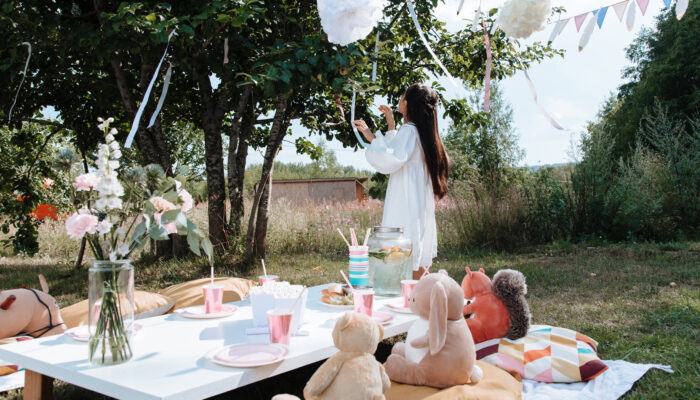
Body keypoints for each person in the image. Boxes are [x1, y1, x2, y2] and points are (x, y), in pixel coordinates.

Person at [353, 83, 450, 280]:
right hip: (416, 201)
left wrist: (371, 137)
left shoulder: (410, 130)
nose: (399, 100)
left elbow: (391, 158)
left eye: (402, 97)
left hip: (406, 202)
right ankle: (432, 293)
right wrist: (390, 124)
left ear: (407, 104)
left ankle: (433, 294)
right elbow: (398, 149)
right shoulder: (418, 132)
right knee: (411, 254)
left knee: (405, 254)